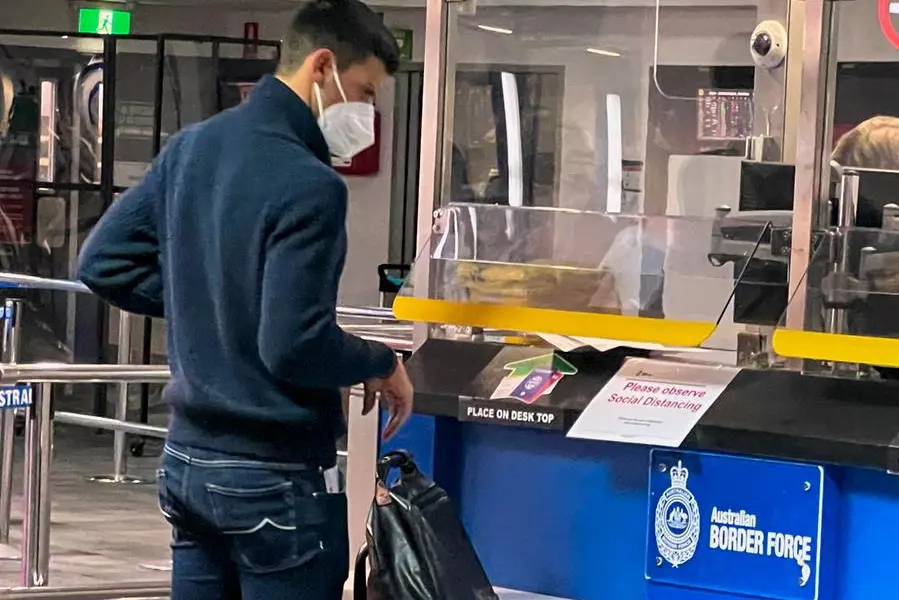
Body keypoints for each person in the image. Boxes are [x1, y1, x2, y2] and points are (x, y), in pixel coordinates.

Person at [76, 1, 414, 598]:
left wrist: (205, 304)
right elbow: (293, 345)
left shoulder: (192, 148)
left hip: (187, 463)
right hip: (273, 476)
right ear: (322, 66)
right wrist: (381, 361)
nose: (365, 111)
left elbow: (103, 264)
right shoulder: (310, 184)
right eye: (363, 91)